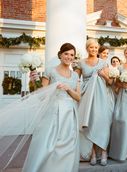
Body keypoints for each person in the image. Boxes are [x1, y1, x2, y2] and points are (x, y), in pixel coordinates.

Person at [0, 43, 81, 172]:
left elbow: (78, 97)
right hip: (53, 113)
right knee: (48, 145)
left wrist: (68, 89)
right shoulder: (50, 70)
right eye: (66, 54)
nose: (69, 57)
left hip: (69, 116)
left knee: (68, 147)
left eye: (72, 55)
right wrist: (34, 81)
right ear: (60, 55)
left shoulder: (76, 75)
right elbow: (41, 95)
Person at [75, 39, 113, 166]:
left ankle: (103, 152)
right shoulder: (81, 63)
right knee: (89, 123)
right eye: (91, 47)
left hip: (101, 96)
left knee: (102, 123)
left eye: (96, 48)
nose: (94, 50)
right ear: (87, 49)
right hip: (86, 96)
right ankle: (92, 154)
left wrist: (104, 75)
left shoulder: (103, 63)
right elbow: (74, 79)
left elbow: (110, 82)